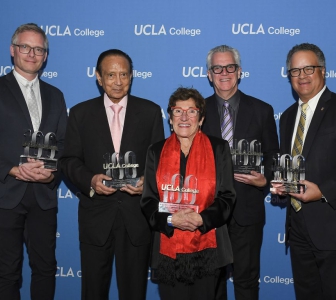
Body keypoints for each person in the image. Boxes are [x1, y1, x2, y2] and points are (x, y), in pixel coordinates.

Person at [0, 23, 67, 299]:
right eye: (25, 47)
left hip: (43, 195)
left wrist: (51, 174)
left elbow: (63, 144)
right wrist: (12, 170)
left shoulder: (55, 96)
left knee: (45, 267)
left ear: (45, 55)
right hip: (4, 193)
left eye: (38, 49)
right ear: (13, 50)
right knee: (8, 271)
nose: (31, 54)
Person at [270, 43, 336, 299]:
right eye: (295, 71)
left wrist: (323, 191)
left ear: (323, 70)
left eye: (309, 68)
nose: (302, 76)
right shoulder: (286, 117)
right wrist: (283, 184)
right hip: (298, 229)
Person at [60, 49, 164, 300]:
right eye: (110, 75)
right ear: (98, 77)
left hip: (136, 216)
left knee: (134, 292)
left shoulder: (150, 112)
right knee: (93, 292)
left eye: (124, 74)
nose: (118, 81)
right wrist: (90, 180)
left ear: (132, 76)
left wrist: (146, 183)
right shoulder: (80, 113)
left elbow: (159, 161)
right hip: (96, 216)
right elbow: (68, 160)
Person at [141, 87, 236, 300]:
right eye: (178, 111)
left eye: (192, 111)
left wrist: (201, 218)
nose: (184, 117)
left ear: (201, 118)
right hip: (168, 247)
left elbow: (227, 197)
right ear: (170, 117)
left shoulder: (219, 148)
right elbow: (148, 200)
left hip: (209, 248)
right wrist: (171, 219)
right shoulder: (155, 151)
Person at [201, 45, 279, 300]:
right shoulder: (195, 111)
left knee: (246, 281)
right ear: (209, 74)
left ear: (239, 71)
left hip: (248, 209)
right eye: (217, 68)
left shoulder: (262, 110)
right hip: (207, 210)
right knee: (211, 281)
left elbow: (273, 155)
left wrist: (265, 178)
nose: (224, 72)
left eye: (230, 67)